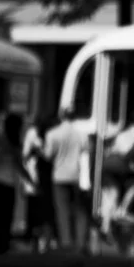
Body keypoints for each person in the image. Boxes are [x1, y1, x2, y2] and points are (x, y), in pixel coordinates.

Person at [0, 113, 36, 254]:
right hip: (9, 185)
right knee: (6, 217)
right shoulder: (13, 143)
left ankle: (0, 243)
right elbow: (19, 166)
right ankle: (3, 243)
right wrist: (31, 181)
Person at [44, 107, 90, 253]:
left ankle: (65, 241)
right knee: (80, 210)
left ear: (61, 116)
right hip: (77, 176)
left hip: (59, 176)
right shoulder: (82, 135)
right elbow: (86, 154)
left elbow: (48, 155)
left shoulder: (53, 134)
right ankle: (81, 242)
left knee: (62, 210)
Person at [99, 110, 134, 239]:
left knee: (110, 196)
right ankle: (123, 209)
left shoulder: (124, 131)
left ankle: (105, 226)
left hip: (106, 163)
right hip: (119, 163)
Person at [23, 114, 57, 253]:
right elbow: (26, 154)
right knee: (42, 210)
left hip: (41, 179)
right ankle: (40, 239)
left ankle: (39, 239)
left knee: (38, 210)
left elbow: (25, 154)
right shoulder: (37, 135)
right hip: (42, 178)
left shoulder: (45, 136)